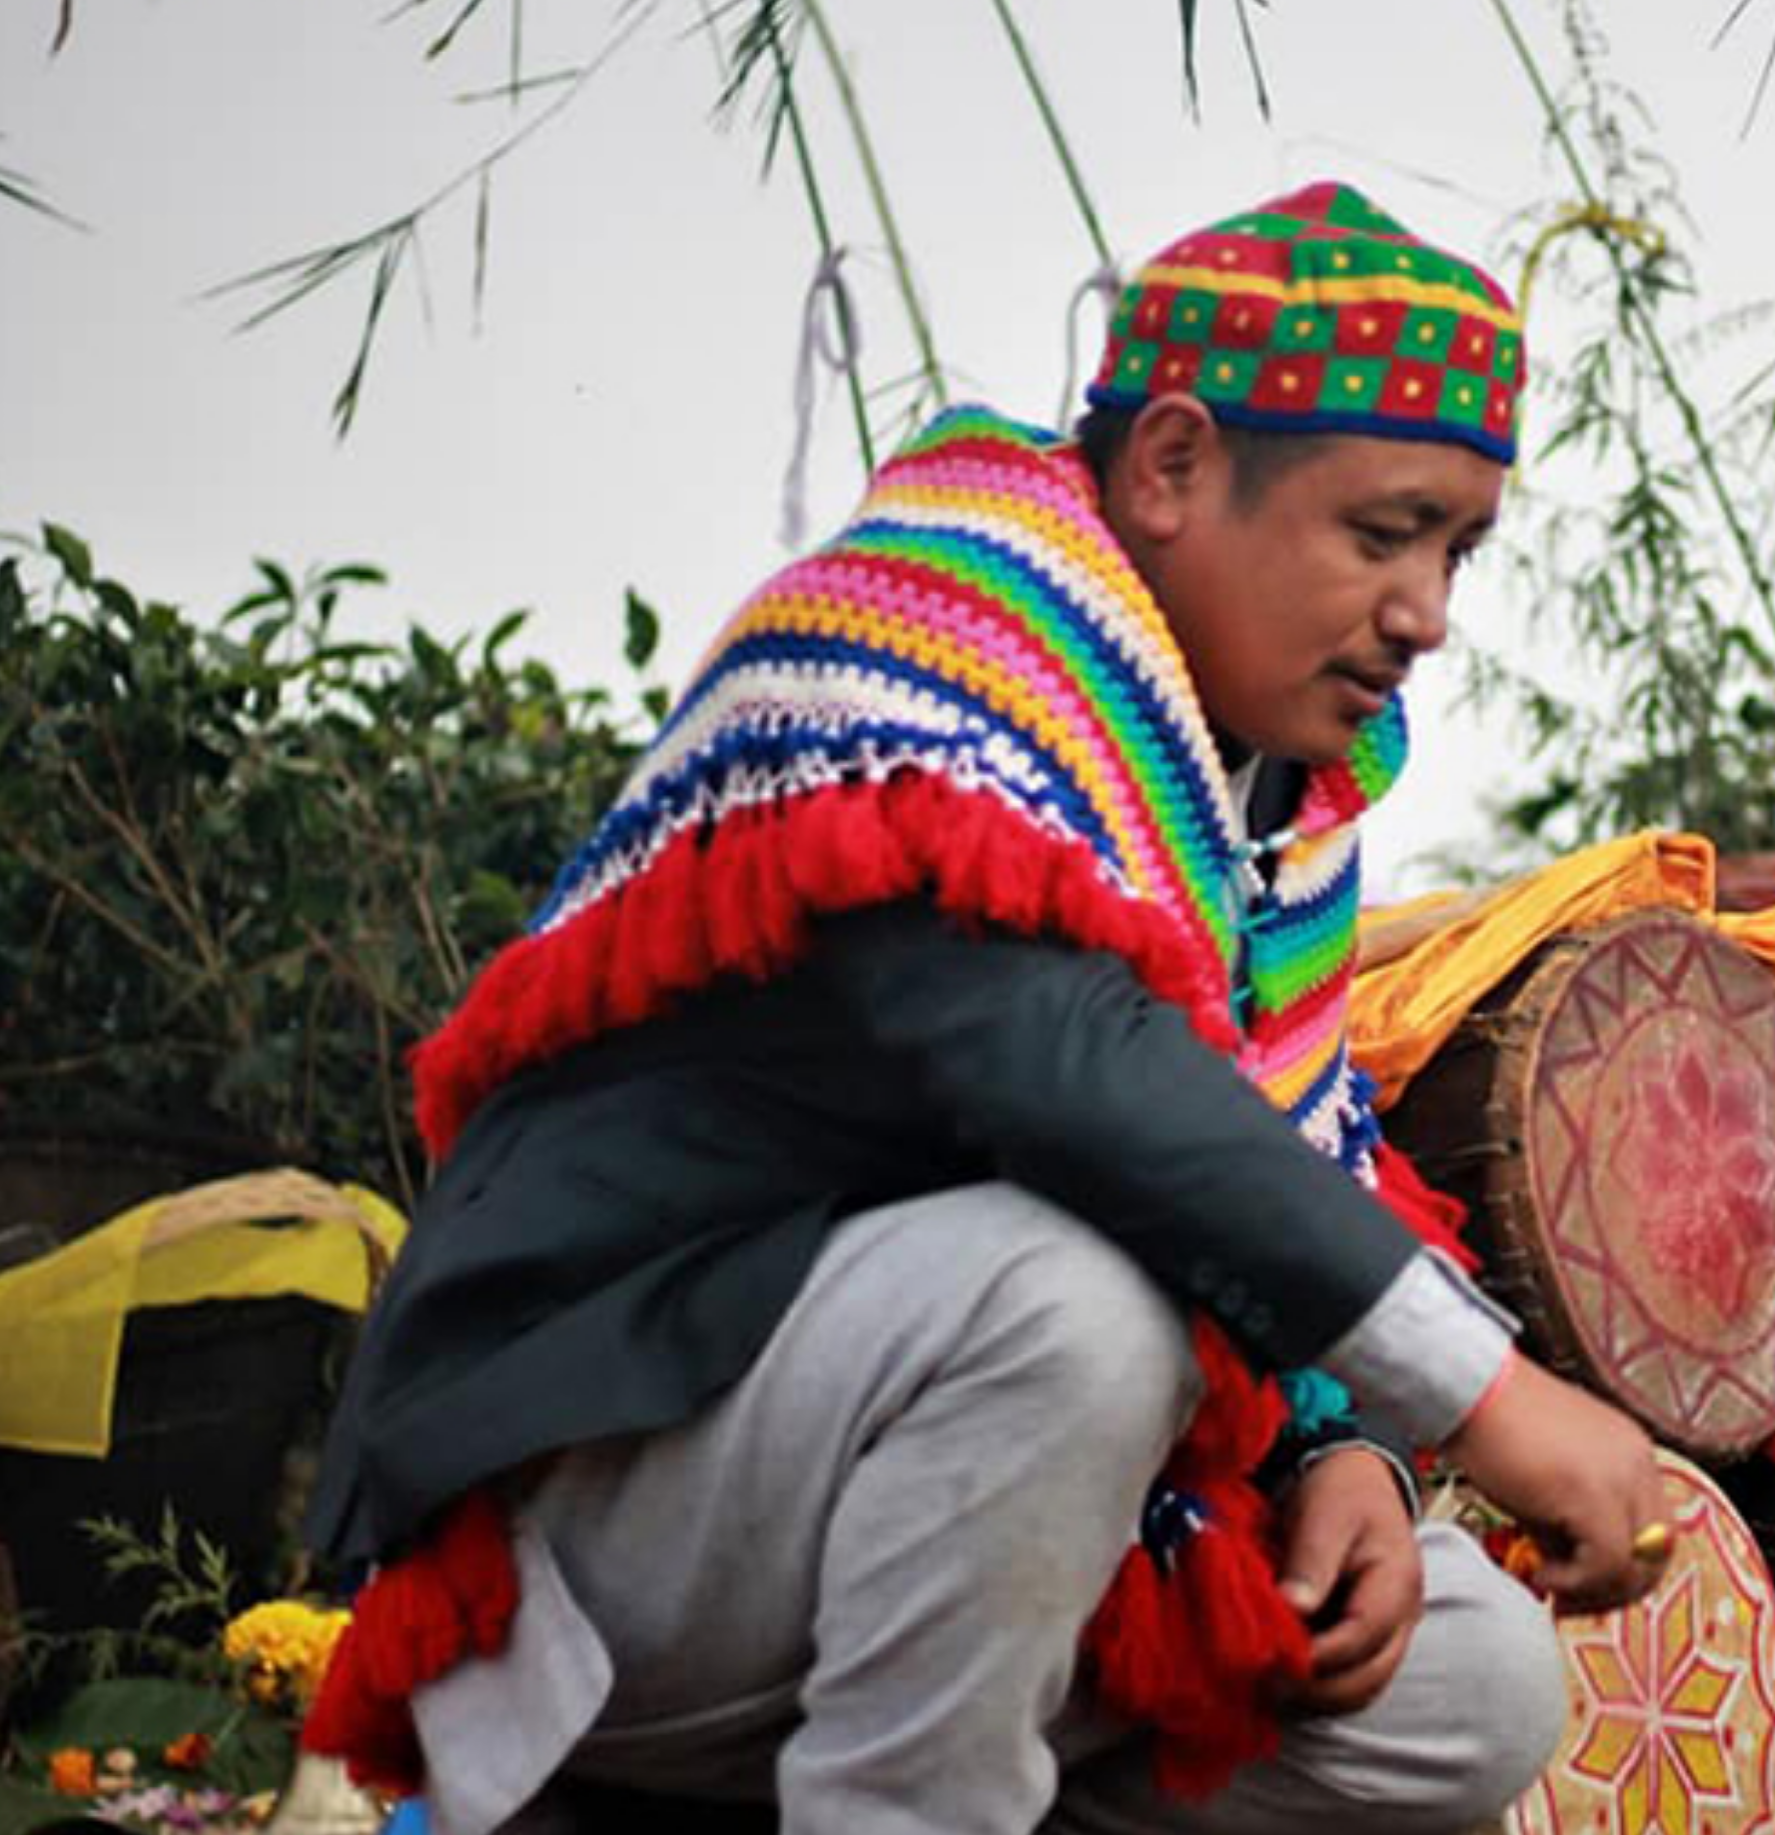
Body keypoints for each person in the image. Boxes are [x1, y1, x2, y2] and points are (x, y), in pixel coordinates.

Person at [299, 180, 1667, 1835]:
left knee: (1473, 1680)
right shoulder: (920, 661)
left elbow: (1249, 1154)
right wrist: (1486, 1397)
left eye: (1459, 548)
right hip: (622, 1533)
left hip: (927, 1550)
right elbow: (1080, 1080)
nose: (1427, 614)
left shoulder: (1267, 811)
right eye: (1384, 533)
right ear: (1169, 465)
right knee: (1072, 1298)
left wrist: (1335, 1453)